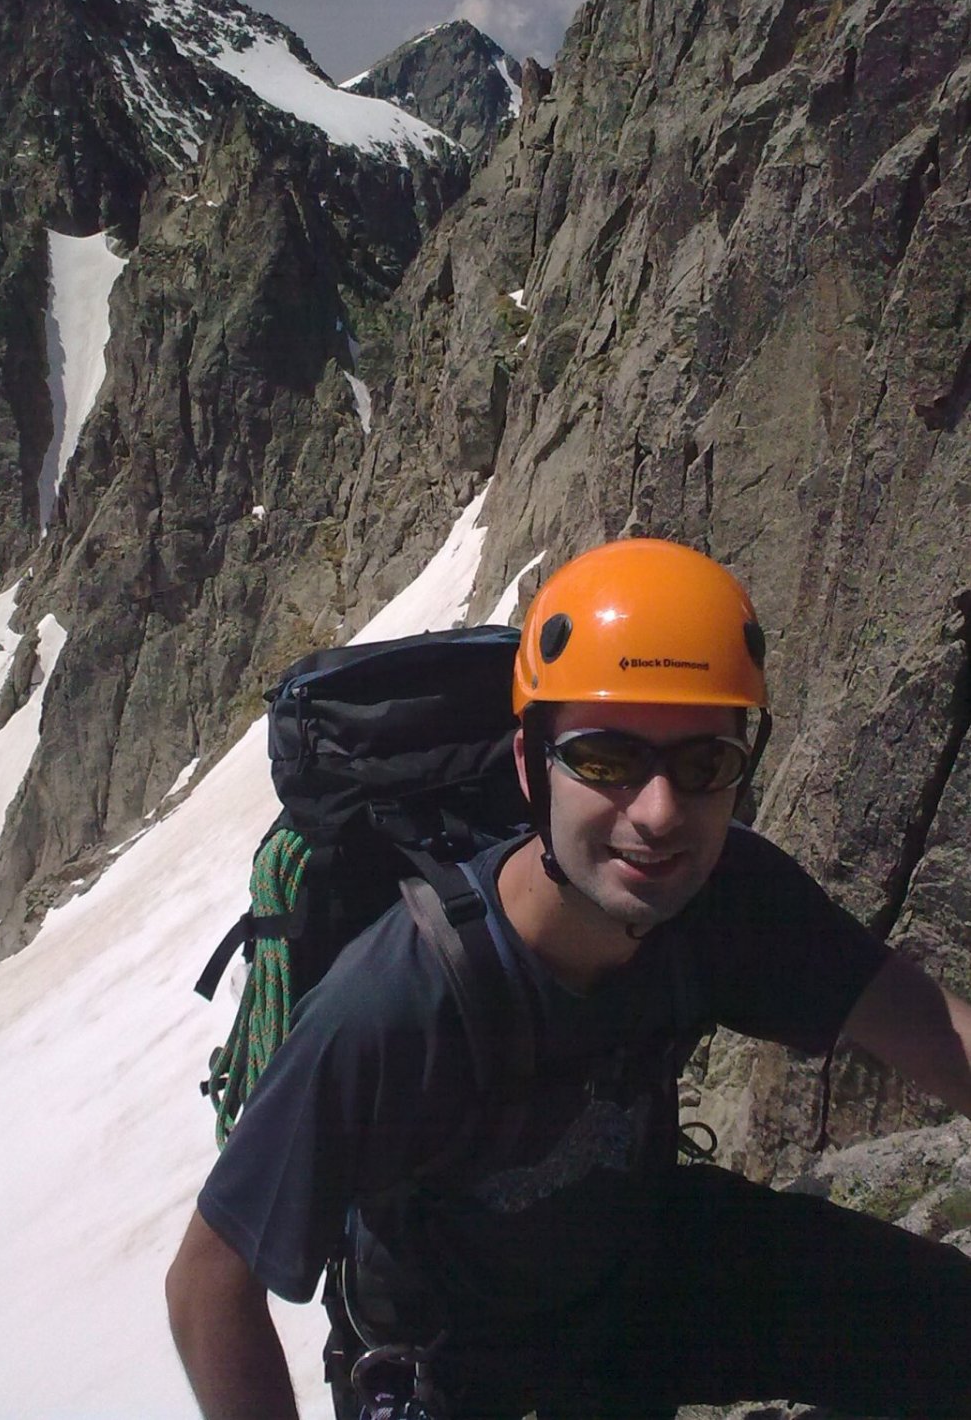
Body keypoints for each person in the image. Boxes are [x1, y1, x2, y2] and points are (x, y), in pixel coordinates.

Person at [167, 537, 971, 1420]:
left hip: (639, 1275)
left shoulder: (727, 895)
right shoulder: (400, 1000)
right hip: (462, 1372)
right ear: (528, 767)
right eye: (605, 760)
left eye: (703, 763)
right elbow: (208, 1281)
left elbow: (931, 1029)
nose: (659, 813)